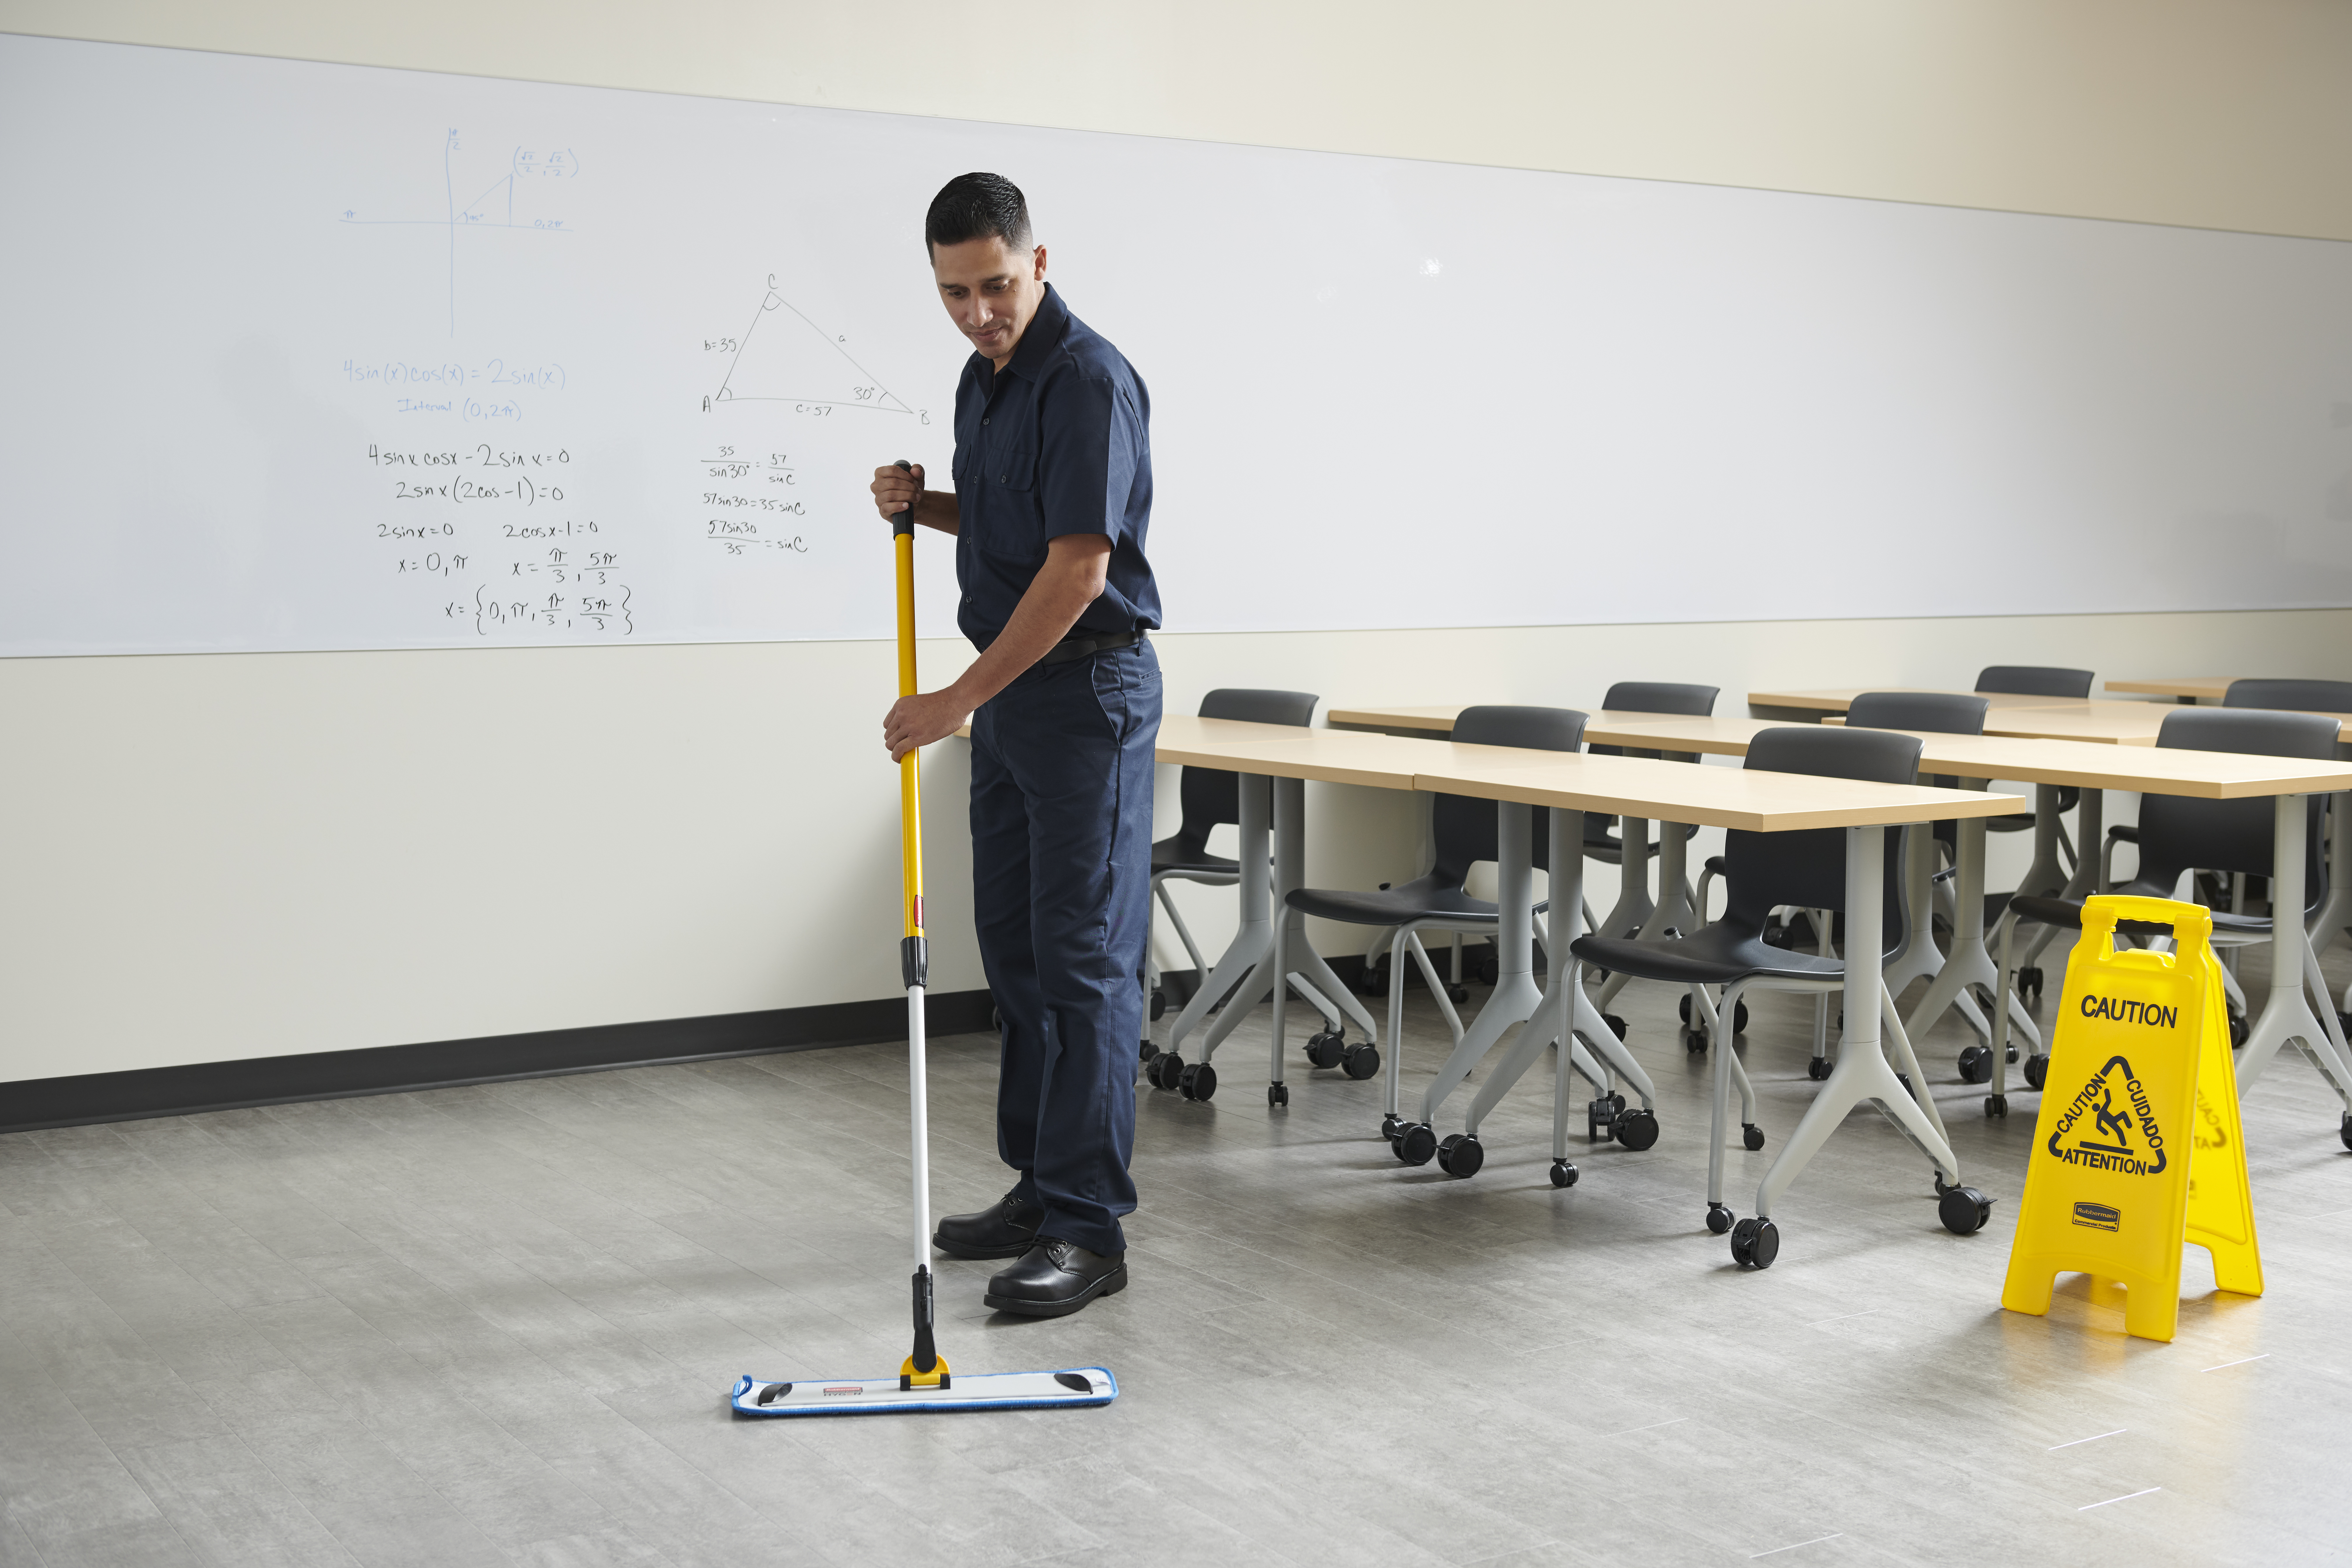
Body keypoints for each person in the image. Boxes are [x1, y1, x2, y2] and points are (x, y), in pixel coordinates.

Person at [871, 173, 1161, 1317]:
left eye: (996, 285)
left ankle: (1091, 1229)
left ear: (1037, 263)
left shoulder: (1088, 378)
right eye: (955, 292)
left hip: (1086, 690)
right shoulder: (978, 380)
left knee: (1085, 960)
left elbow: (1077, 567)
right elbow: (1013, 522)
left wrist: (951, 699)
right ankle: (1041, 1188)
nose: (979, 311)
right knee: (1021, 948)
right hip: (1010, 703)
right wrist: (923, 501)